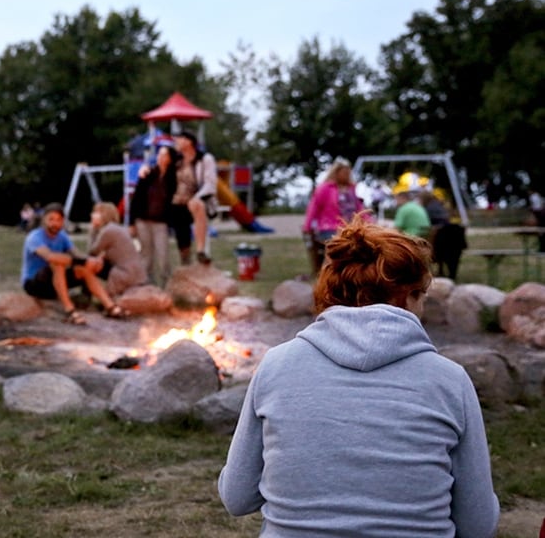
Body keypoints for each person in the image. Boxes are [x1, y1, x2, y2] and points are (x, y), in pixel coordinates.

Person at [218, 216, 500, 537]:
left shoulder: (275, 365)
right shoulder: (450, 381)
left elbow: (237, 497)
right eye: (422, 296)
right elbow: (478, 524)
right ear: (407, 297)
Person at [21, 202, 130, 325]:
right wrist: (83, 260)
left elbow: (77, 254)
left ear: (63, 222)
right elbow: (50, 256)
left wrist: (93, 261)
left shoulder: (62, 236)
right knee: (57, 263)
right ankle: (70, 311)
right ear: (44, 220)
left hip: (55, 282)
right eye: (51, 219)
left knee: (83, 269)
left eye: (58, 220)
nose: (55, 224)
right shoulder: (34, 237)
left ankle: (110, 306)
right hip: (35, 283)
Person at [301, 157, 367, 275]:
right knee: (336, 247)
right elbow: (314, 207)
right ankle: (328, 274)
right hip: (329, 227)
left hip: (349, 226)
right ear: (336, 173)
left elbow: (359, 208)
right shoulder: (325, 188)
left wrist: (368, 221)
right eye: (344, 172)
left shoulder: (351, 189)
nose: (346, 175)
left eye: (348, 172)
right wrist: (307, 226)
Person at [129, 144, 177, 287]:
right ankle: (145, 285)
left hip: (160, 221)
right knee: (146, 255)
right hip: (143, 219)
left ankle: (166, 286)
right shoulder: (148, 174)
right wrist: (132, 223)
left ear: (170, 158)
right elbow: (136, 199)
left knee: (163, 255)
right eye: (159, 154)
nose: (160, 157)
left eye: (164, 155)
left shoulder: (173, 178)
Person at [169, 130, 218, 265]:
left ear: (188, 141)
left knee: (196, 205)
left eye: (178, 139)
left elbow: (210, 183)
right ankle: (185, 258)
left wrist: (197, 197)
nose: (176, 143)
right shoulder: (176, 161)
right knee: (180, 227)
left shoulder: (204, 159)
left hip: (198, 199)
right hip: (177, 202)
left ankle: (201, 251)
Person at [87, 201, 147, 297]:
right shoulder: (116, 228)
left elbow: (92, 251)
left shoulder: (109, 231)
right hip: (136, 273)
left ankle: (89, 296)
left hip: (125, 273)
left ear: (104, 215)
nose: (93, 215)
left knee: (88, 265)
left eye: (96, 213)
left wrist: (92, 231)